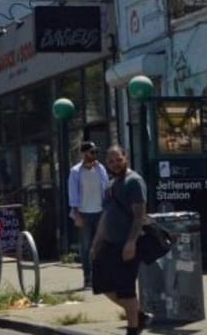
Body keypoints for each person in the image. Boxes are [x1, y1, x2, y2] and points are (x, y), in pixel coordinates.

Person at [90, 145, 151, 335]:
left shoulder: (134, 181)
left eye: (118, 160)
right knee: (101, 284)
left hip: (127, 244)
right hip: (109, 244)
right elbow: (105, 216)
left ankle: (133, 328)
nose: (115, 164)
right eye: (111, 161)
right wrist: (95, 244)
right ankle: (139, 314)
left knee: (126, 289)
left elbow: (139, 215)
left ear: (126, 158)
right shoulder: (110, 184)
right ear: (106, 164)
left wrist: (131, 242)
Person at [68, 141, 109, 289]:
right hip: (84, 213)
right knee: (85, 247)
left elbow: (106, 189)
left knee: (101, 245)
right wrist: (77, 214)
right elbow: (73, 194)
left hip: (100, 212)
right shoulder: (75, 171)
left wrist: (107, 210)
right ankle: (87, 277)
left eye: (96, 152)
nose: (95, 155)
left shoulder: (100, 168)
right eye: (92, 152)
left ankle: (102, 276)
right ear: (84, 154)